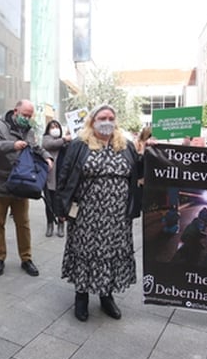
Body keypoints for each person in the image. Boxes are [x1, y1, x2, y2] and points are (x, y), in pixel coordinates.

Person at [54, 104, 142, 322]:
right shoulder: (79, 145)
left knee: (111, 254)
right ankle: (81, 295)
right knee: (85, 252)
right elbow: (64, 176)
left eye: (111, 117)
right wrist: (61, 208)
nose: (107, 121)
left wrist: (152, 151)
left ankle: (106, 295)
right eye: (102, 117)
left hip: (117, 216)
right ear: (92, 121)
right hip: (87, 214)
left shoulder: (126, 146)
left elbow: (138, 173)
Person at [0, 99, 53, 277]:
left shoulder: (28, 130)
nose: (27, 118)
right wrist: (12, 145)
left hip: (22, 183)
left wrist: (47, 157)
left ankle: (26, 258)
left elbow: (35, 147)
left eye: (30, 116)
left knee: (23, 224)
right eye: (25, 115)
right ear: (15, 111)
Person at [41, 120, 70, 237]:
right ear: (48, 129)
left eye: (57, 126)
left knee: (61, 203)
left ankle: (61, 224)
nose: (55, 128)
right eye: (52, 127)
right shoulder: (46, 139)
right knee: (49, 202)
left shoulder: (65, 142)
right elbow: (49, 145)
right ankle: (50, 224)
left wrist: (69, 137)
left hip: (61, 177)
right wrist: (65, 139)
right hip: (49, 177)